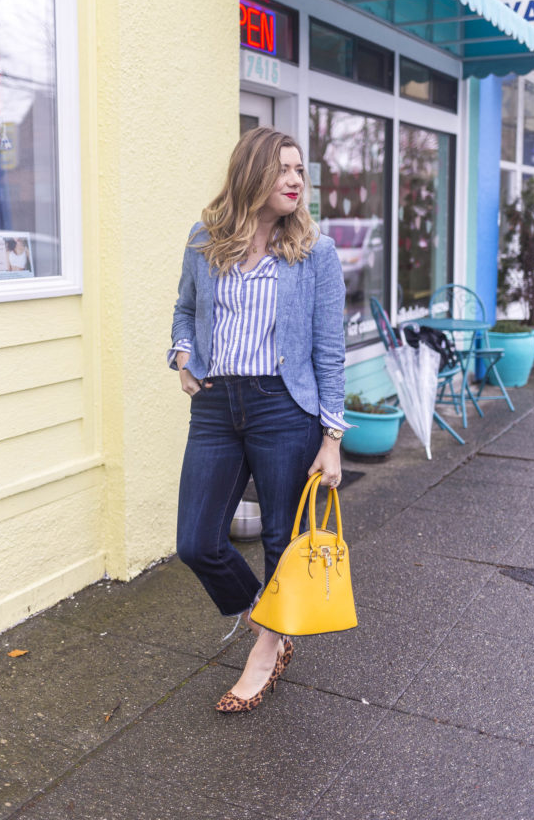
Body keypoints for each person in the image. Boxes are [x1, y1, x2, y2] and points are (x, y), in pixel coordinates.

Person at [168, 126, 348, 714]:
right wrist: (182, 353)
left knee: (279, 538)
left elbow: (329, 350)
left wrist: (332, 438)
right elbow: (186, 311)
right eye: (284, 169)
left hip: (283, 406)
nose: (297, 181)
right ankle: (270, 617)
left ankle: (266, 652)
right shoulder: (205, 238)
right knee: (196, 541)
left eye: (300, 170)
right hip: (217, 405)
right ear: (252, 174)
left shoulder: (314, 253)